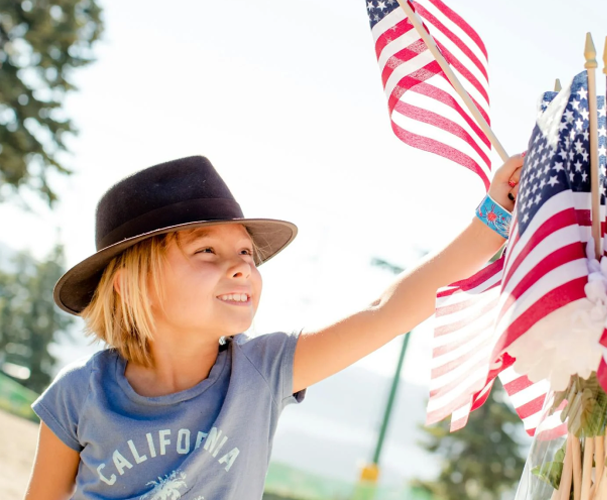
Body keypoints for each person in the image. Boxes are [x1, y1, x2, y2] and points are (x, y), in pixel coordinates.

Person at [24, 153, 523, 499]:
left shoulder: (263, 372)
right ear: (132, 284)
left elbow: (385, 311)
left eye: (246, 252)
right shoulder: (77, 395)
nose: (242, 266)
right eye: (206, 251)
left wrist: (494, 218)